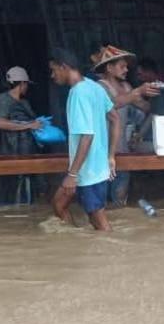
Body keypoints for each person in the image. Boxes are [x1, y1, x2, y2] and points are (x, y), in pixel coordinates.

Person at [49, 48, 122, 231]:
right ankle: (75, 239)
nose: (52, 75)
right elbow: (115, 118)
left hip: (87, 172)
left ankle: (106, 247)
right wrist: (110, 156)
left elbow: (87, 136)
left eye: (54, 70)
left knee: (99, 222)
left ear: (64, 67)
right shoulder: (94, 87)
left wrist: (72, 175)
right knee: (59, 204)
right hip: (96, 167)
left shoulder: (78, 94)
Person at [90, 45, 159, 206]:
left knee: (120, 201)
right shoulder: (99, 87)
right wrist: (137, 92)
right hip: (102, 153)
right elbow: (112, 104)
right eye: (122, 66)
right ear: (109, 68)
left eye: (126, 66)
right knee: (100, 202)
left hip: (122, 152)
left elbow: (145, 108)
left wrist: (160, 97)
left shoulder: (126, 87)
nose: (126, 70)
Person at [0, 66, 44, 206]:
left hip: (26, 148)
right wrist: (28, 125)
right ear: (22, 83)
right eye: (26, 84)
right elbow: (1, 123)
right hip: (11, 148)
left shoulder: (24, 102)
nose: (27, 87)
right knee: (9, 180)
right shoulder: (4, 99)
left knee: (26, 182)